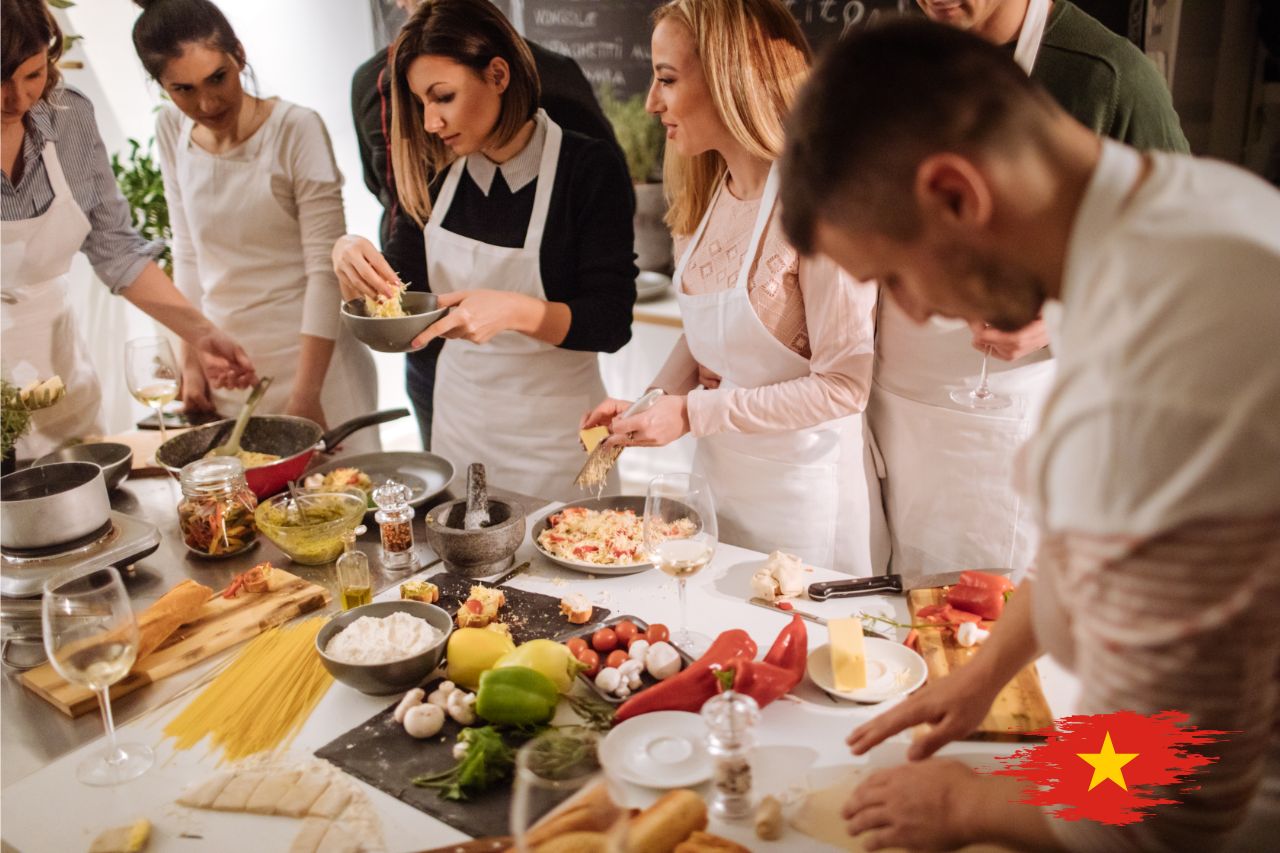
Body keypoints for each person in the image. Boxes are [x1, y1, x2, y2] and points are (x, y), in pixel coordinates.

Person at [780, 19, 1279, 851]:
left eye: (894, 276)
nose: (910, 312)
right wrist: (982, 673)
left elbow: (1171, 797)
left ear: (955, 194)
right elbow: (1090, 549)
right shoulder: (1185, 215)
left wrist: (965, 805)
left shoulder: (1164, 362)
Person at [868, 0, 1189, 578]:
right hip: (894, 416)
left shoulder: (1106, 77)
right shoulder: (900, 62)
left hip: (1014, 427)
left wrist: (1062, 318)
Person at [582, 0, 886, 574]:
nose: (651, 102)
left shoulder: (821, 203)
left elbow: (846, 387)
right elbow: (704, 337)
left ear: (730, 78)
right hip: (721, 488)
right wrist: (648, 406)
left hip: (806, 503)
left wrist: (693, 414)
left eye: (667, 79)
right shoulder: (705, 196)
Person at [333, 0, 636, 500]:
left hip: (563, 433)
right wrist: (350, 255)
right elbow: (406, 292)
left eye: (443, 97)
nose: (431, 122)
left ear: (497, 74)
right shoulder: (437, 171)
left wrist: (516, 311)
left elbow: (611, 321)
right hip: (463, 426)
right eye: (421, 103)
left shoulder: (587, 167)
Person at [1, 0, 256, 459]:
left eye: (32, 75)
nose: (16, 100)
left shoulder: (68, 117)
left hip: (58, 377)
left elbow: (114, 248)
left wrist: (202, 334)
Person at [132, 0, 377, 443]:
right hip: (232, 368)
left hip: (317, 366)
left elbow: (324, 269)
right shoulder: (172, 129)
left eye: (217, 78)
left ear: (239, 56)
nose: (206, 102)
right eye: (182, 90)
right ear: (162, 87)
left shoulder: (295, 129)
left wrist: (307, 393)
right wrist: (192, 360)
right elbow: (187, 251)